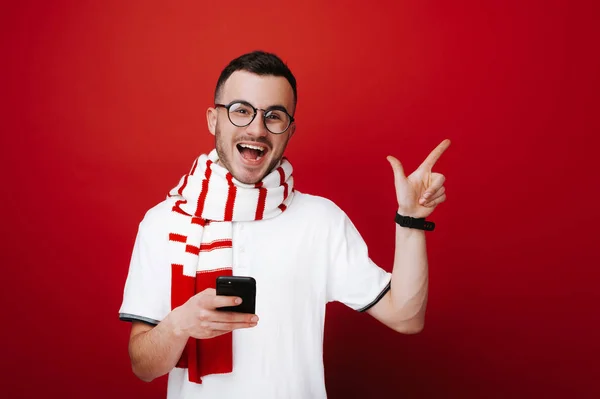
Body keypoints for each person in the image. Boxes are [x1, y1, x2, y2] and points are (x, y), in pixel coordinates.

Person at [118, 50, 450, 399]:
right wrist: (180, 324)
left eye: (274, 116)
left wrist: (410, 218)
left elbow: (406, 316)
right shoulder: (163, 222)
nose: (257, 129)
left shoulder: (320, 220)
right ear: (213, 120)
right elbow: (143, 366)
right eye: (241, 111)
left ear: (289, 130)